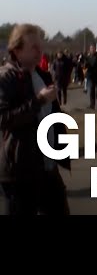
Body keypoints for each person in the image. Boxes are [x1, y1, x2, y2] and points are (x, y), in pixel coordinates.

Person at [0, 23, 71, 215]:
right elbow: (3, 119)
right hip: (19, 171)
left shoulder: (43, 75)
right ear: (17, 49)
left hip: (47, 167)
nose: (40, 51)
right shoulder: (6, 78)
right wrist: (38, 101)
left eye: (41, 46)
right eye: (34, 47)